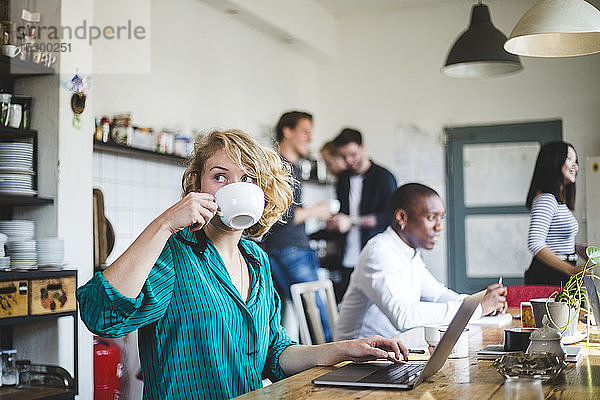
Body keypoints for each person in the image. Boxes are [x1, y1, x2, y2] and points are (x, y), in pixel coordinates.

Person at [77, 129, 409, 400]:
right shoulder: (173, 253)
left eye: (248, 179)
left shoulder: (256, 259)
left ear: (263, 191)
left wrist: (345, 349)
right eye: (220, 177)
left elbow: (274, 354)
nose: (235, 187)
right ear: (197, 186)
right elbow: (103, 317)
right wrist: (165, 223)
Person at [335, 183, 507, 340]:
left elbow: (437, 294)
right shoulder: (379, 252)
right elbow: (403, 316)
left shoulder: (408, 251)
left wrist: (476, 303)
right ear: (402, 217)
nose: (439, 227)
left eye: (441, 218)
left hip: (392, 348)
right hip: (356, 360)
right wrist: (475, 309)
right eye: (432, 218)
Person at [262, 111, 333, 341]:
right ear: (287, 131)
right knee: (319, 321)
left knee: (283, 317)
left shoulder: (289, 166)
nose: (310, 139)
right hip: (288, 250)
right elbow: (284, 215)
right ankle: (330, 373)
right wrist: (318, 211)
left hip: (288, 249)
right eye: (305, 132)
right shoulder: (278, 167)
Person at [327, 128, 397, 301]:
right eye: (343, 156)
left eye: (353, 154)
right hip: (347, 260)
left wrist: (350, 221)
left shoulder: (384, 177)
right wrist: (334, 223)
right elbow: (342, 213)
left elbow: (389, 217)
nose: (349, 160)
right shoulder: (342, 180)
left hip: (375, 258)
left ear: (363, 148)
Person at [525, 141, 586, 286]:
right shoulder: (546, 199)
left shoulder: (557, 201)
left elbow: (552, 240)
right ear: (553, 161)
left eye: (576, 161)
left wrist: (575, 248)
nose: (575, 166)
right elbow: (535, 243)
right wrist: (571, 270)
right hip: (551, 275)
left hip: (558, 271)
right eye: (569, 159)